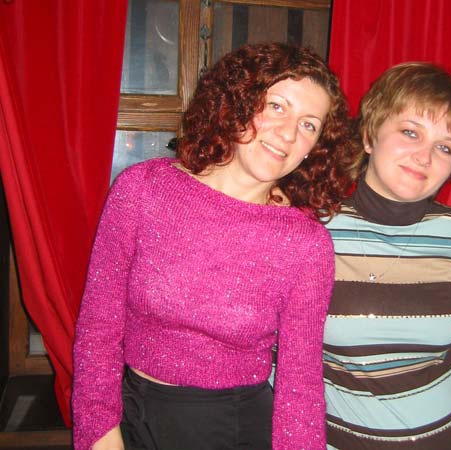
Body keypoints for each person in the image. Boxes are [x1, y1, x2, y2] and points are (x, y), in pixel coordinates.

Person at [72, 42, 357, 450]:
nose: (289, 133)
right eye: (277, 106)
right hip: (127, 412)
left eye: (309, 125)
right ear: (237, 101)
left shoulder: (306, 245)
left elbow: (301, 384)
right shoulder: (142, 189)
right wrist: (98, 430)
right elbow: (98, 325)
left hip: (229, 429)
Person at [323, 63, 451, 449]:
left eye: (444, 147)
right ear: (370, 135)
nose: (424, 156)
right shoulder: (311, 231)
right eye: (410, 132)